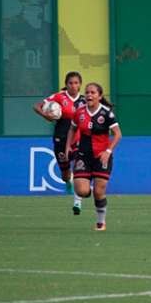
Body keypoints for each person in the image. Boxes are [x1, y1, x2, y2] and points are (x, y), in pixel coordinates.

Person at [65, 83, 121, 231]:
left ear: (99, 96)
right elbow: (72, 128)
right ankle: (86, 187)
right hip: (83, 155)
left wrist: (108, 152)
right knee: (82, 191)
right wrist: (68, 145)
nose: (89, 95)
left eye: (93, 93)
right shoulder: (80, 112)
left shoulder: (106, 113)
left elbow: (118, 135)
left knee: (98, 192)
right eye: (87, 92)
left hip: (101, 157)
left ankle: (101, 222)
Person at [34, 71, 85, 214]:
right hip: (61, 139)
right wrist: (46, 115)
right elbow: (37, 106)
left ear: (80, 84)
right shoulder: (59, 97)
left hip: (78, 139)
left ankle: (77, 202)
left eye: (76, 83)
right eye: (70, 83)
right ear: (66, 84)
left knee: (79, 169)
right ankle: (68, 182)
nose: (74, 86)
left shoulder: (84, 100)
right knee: (65, 173)